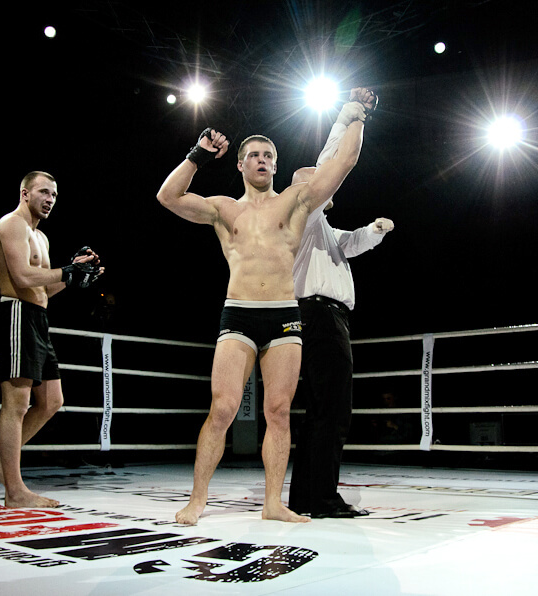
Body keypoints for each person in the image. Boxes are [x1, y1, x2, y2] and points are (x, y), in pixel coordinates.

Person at [156, 88, 376, 525]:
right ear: (240, 165)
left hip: (284, 315)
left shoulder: (295, 201)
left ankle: (273, 503)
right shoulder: (223, 209)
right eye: (253, 155)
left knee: (278, 412)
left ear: (275, 165)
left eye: (268, 156)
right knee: (222, 409)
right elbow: (168, 196)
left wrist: (357, 112)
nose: (261, 160)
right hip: (238, 312)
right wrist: (198, 156)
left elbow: (345, 162)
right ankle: (197, 499)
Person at [288, 105, 394, 518]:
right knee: (332, 409)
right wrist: (346, 118)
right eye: (312, 179)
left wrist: (374, 232)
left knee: (321, 409)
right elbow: (329, 161)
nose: (322, 182)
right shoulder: (301, 213)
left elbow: (348, 244)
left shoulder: (321, 229)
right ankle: (321, 497)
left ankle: (308, 495)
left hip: (319, 317)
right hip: (319, 316)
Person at [0, 171, 103, 508]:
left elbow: (45, 289)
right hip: (16, 313)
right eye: (43, 192)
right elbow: (22, 277)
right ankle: (14, 492)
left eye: (54, 194)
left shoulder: (42, 237)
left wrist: (75, 277)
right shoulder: (12, 225)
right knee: (17, 403)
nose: (49, 199)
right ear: (25, 193)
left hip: (38, 317)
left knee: (52, 401)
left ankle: (1, 464)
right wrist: (67, 270)